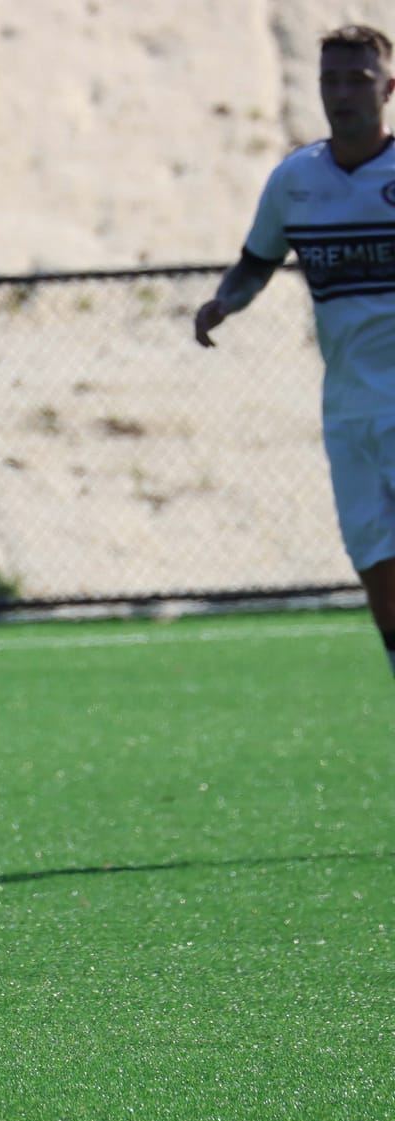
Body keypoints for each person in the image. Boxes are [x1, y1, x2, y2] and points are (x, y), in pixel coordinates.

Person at [196, 23, 395, 678]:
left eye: (358, 79)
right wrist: (227, 300)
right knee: (378, 573)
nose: (343, 92)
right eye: (331, 79)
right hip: (347, 410)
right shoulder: (296, 181)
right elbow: (257, 260)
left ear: (388, 87)